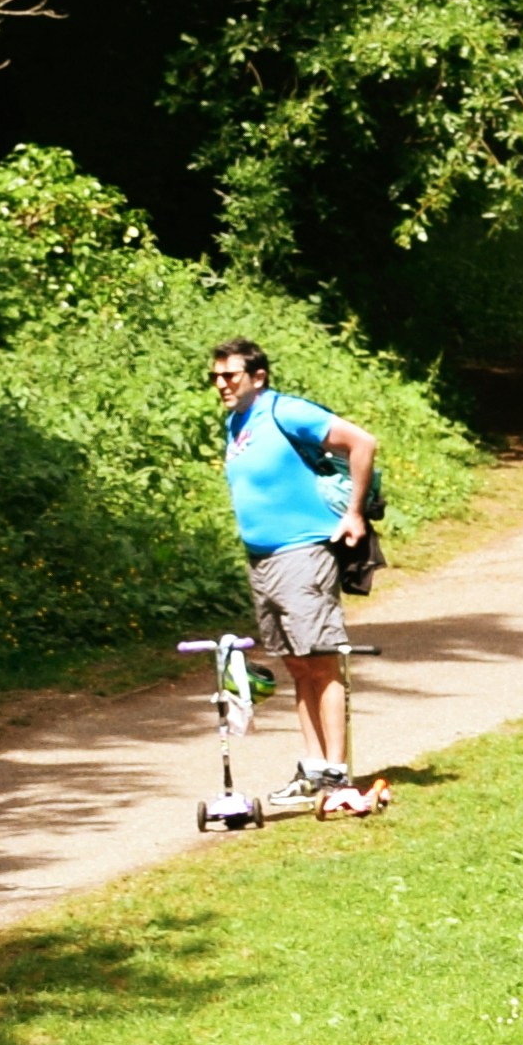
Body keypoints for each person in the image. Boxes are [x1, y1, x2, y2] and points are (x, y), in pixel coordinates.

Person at [207, 337, 382, 813]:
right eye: (215, 376)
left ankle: (338, 778)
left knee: (321, 662)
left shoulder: (285, 411)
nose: (221, 383)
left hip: (302, 554)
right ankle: (313, 770)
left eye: (230, 375)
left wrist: (354, 514)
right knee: (297, 664)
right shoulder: (235, 422)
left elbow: (361, 442)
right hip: (262, 559)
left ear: (257, 377)